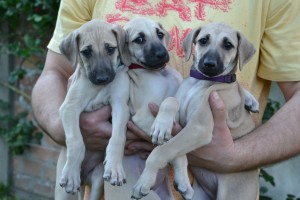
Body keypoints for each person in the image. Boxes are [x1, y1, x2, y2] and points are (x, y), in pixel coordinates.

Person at [31, 0, 300, 199]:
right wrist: (65, 129)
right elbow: (54, 72)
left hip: (224, 184)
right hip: (120, 184)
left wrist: (233, 156)